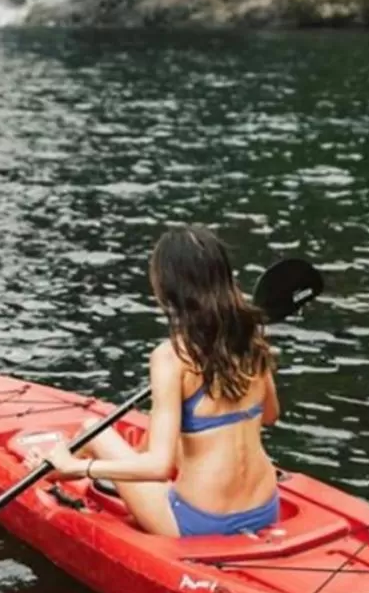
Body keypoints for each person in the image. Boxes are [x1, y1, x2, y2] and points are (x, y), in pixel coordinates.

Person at [44, 226, 281, 538]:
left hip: (199, 521)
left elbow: (158, 467)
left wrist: (75, 468)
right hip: (265, 507)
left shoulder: (171, 357)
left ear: (168, 289)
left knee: (92, 431)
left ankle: (74, 470)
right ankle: (111, 478)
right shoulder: (252, 337)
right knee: (186, 433)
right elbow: (269, 415)